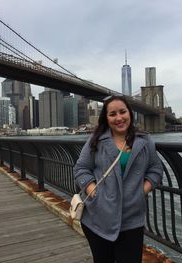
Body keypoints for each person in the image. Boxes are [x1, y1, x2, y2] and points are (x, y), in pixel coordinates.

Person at [74, 95, 163, 263]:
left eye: (123, 112)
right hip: (98, 218)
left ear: (130, 113)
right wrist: (95, 193)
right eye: (112, 114)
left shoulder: (145, 141)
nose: (119, 118)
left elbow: (155, 169)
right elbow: (81, 169)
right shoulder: (96, 140)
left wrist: (142, 190)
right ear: (106, 118)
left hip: (132, 218)